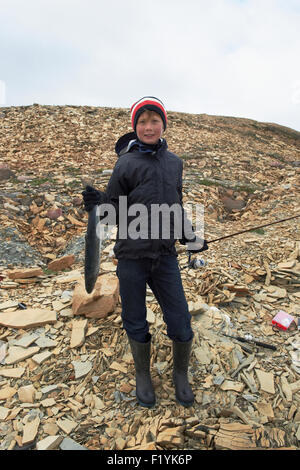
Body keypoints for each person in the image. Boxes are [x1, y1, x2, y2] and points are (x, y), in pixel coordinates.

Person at [82, 96, 208, 408]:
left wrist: (191, 238)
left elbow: (176, 207)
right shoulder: (125, 163)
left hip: (165, 257)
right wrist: (99, 204)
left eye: (154, 121)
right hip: (131, 257)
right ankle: (142, 375)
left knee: (180, 318)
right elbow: (114, 210)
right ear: (134, 127)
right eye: (142, 122)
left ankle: (180, 375)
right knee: (134, 318)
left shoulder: (175, 163)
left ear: (163, 125)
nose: (148, 127)